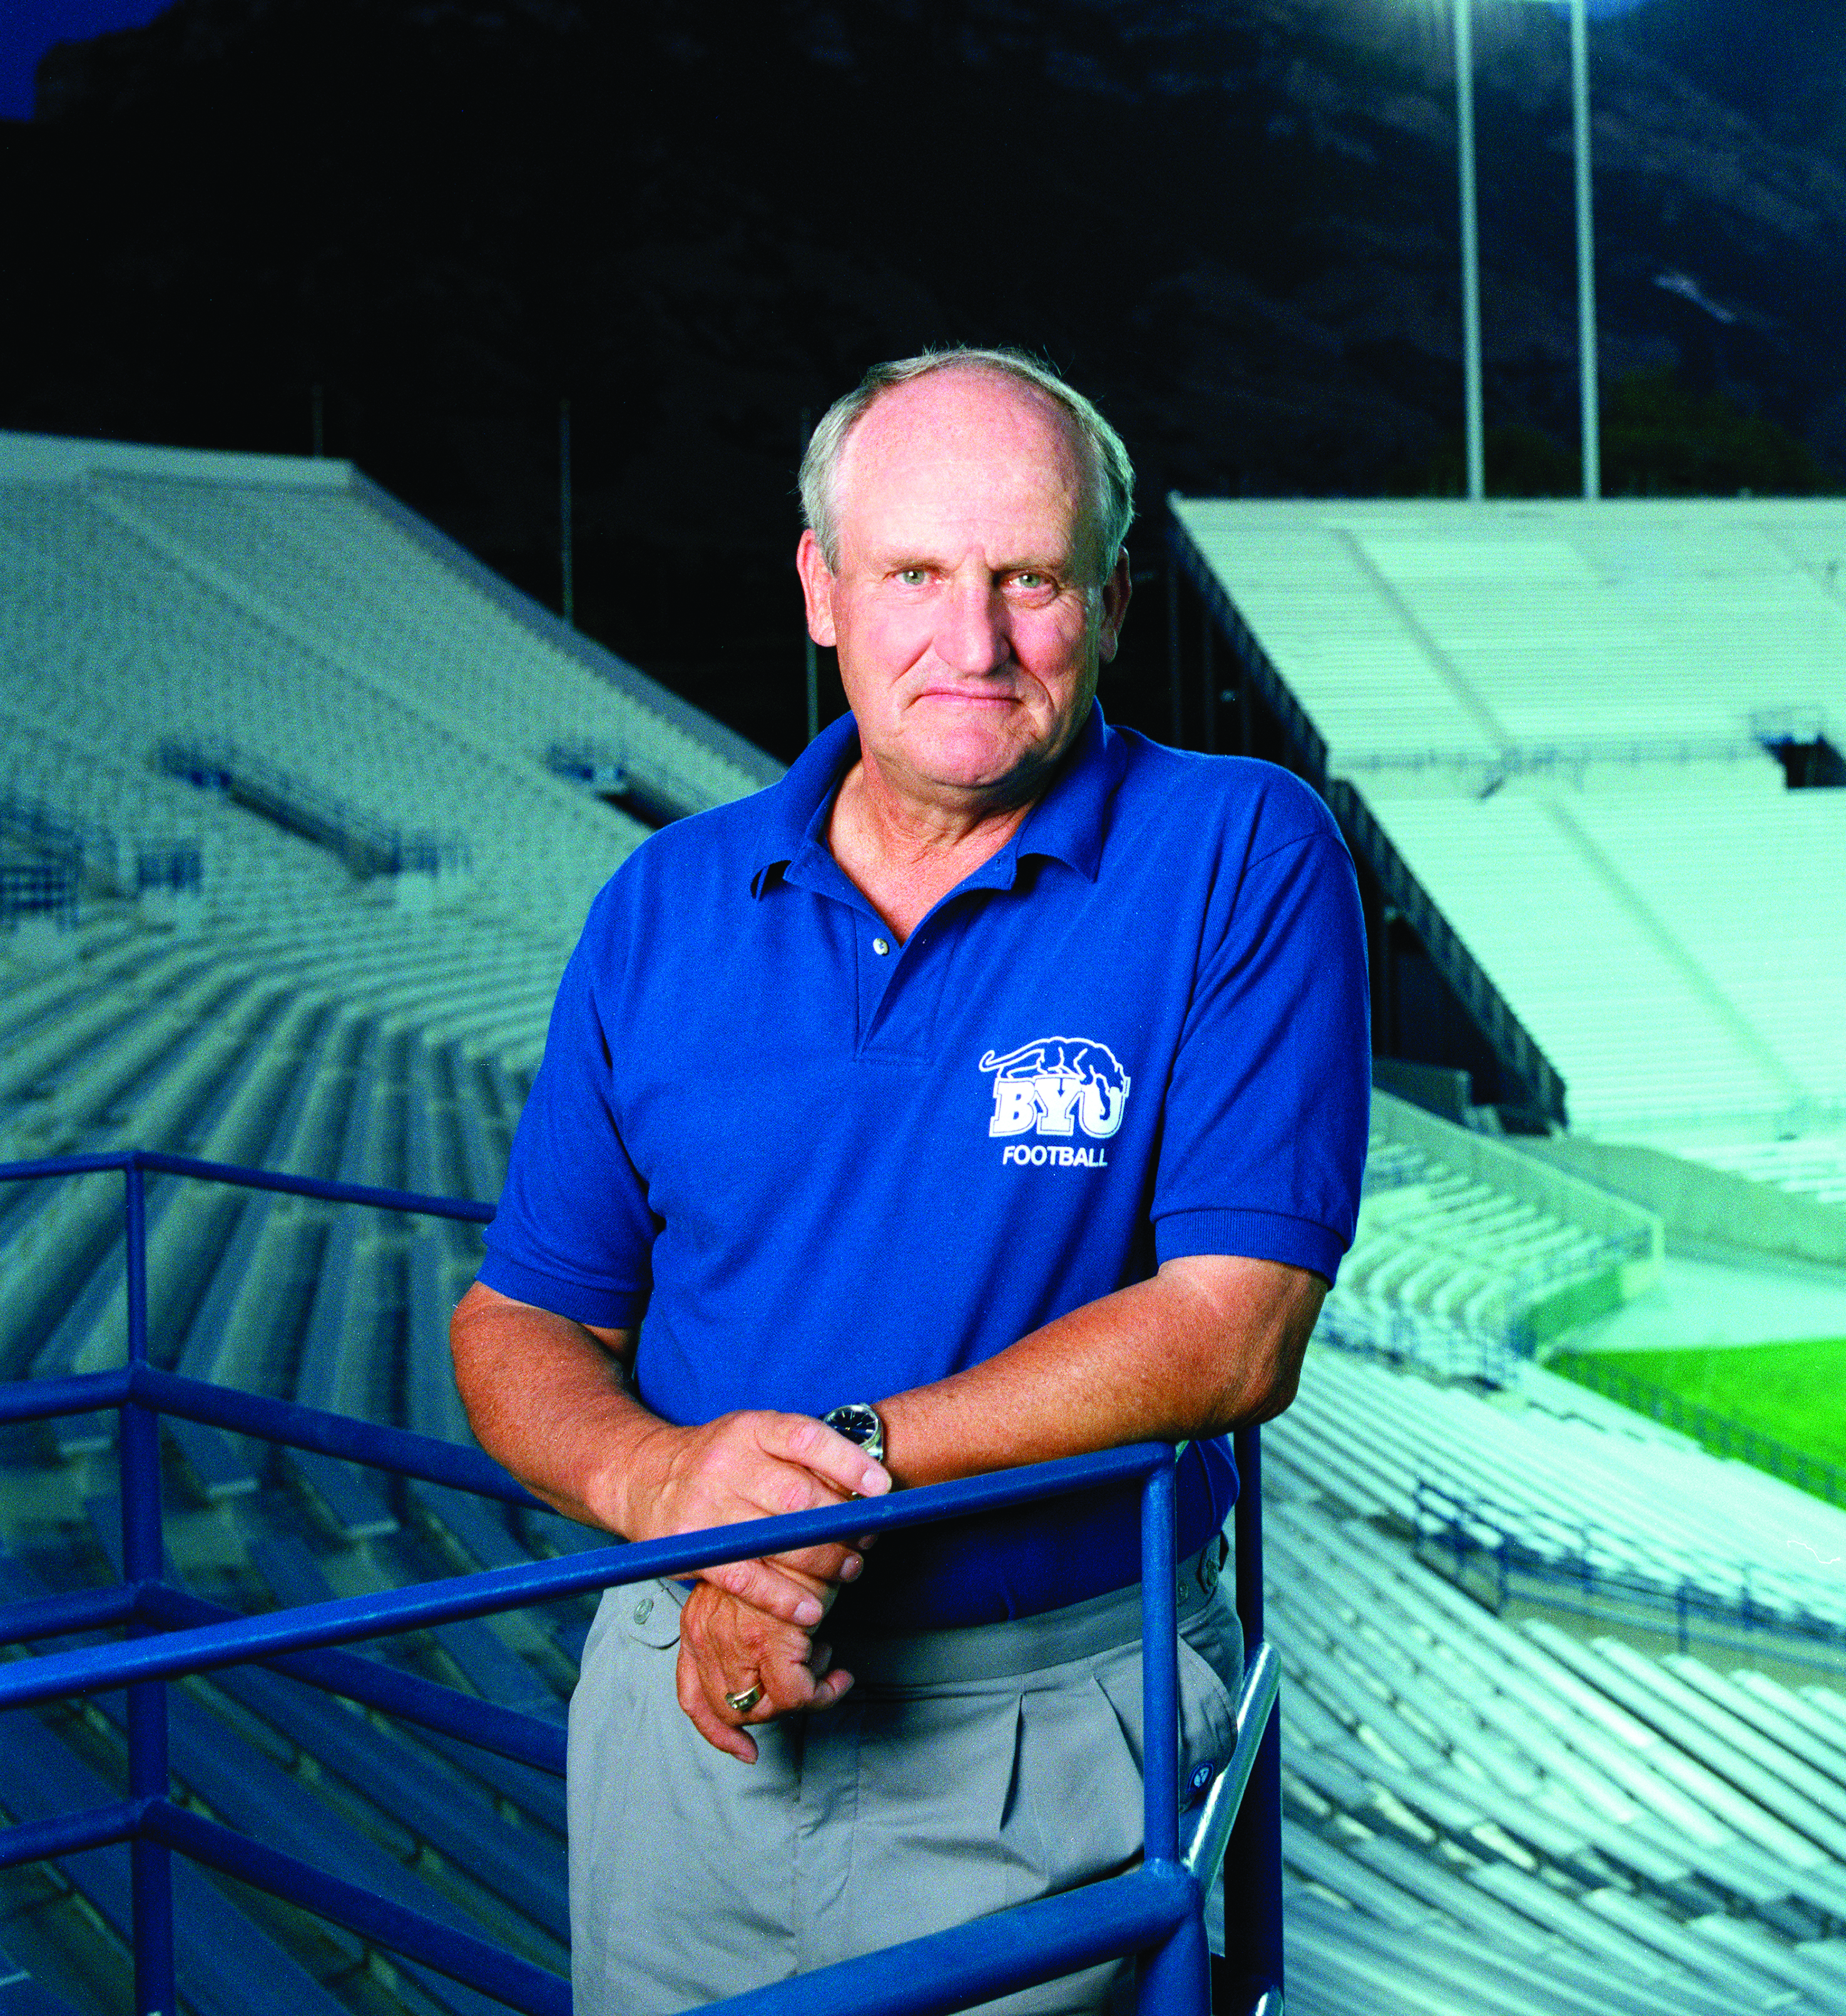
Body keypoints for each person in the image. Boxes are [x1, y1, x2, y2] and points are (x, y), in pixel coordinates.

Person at [452, 347, 1369, 2013]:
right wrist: (675, 1506)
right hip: (680, 1702)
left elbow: (1239, 1331)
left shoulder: (1239, 849)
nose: (975, 640)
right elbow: (520, 1322)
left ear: (1109, 593)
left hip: (1046, 1720)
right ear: (822, 589)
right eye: (916, 575)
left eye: (1030, 579)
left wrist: (830, 1489)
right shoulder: (663, 902)